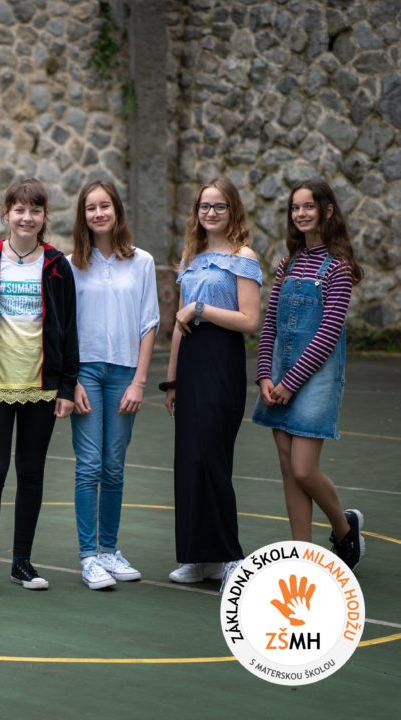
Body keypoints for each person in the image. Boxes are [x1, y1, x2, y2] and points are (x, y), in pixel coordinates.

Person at [0, 178, 78, 598]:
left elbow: (70, 328)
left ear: (45, 217)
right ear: (6, 213)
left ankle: (22, 562)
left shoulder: (57, 265)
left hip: (42, 386)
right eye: (19, 210)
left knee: (31, 473)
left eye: (35, 211)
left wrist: (67, 386)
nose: (27, 218)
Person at [252, 179, 364, 569]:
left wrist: (290, 383)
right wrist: (265, 375)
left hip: (313, 380)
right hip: (278, 377)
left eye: (308, 206)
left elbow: (329, 332)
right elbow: (270, 324)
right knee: (288, 468)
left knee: (304, 468)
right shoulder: (288, 263)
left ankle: (345, 530)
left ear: (327, 211)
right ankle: (303, 554)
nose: (300, 214)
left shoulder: (339, 267)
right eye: (295, 207)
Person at [162, 177, 261, 590]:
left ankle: (231, 557)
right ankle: (198, 557)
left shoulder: (243, 256)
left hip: (222, 360)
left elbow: (250, 321)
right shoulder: (191, 256)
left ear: (232, 210)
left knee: (212, 457)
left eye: (220, 206)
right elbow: (179, 323)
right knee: (189, 460)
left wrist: (201, 308)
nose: (211, 212)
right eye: (205, 206)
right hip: (190, 362)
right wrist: (171, 381)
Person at [68, 180, 159, 590]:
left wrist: (139, 381)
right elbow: (63, 329)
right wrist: (71, 381)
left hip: (124, 373)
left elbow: (149, 323)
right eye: (91, 208)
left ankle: (109, 550)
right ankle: (89, 557)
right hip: (85, 373)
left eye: (105, 206)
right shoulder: (70, 265)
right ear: (83, 215)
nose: (98, 213)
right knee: (89, 465)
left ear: (117, 211)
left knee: (114, 466)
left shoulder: (142, 262)